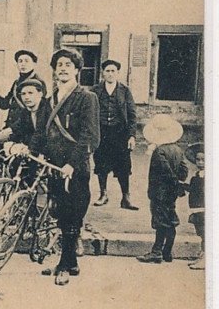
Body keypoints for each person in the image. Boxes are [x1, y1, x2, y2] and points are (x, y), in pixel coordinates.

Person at [21, 48, 100, 286]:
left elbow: (89, 136)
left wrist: (71, 164)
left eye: (68, 64)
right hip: (54, 166)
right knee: (60, 215)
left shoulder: (87, 98)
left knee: (72, 216)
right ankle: (70, 262)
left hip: (74, 168)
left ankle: (65, 266)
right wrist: (30, 151)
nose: (63, 68)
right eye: (59, 65)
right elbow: (40, 133)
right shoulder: (49, 100)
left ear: (77, 70)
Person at [138, 115, 188, 264]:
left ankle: (156, 251)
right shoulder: (178, 150)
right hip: (171, 193)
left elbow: (166, 172)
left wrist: (171, 182)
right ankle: (167, 251)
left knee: (161, 221)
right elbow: (184, 171)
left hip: (159, 192)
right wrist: (177, 184)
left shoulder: (159, 152)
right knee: (171, 219)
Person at [92, 59, 138, 210]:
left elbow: (132, 115)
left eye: (113, 71)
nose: (110, 74)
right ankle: (103, 194)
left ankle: (126, 197)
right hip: (101, 133)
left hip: (120, 133)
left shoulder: (125, 91)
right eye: (107, 71)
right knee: (101, 164)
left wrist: (131, 136)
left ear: (118, 73)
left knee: (123, 166)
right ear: (103, 73)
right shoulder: (95, 90)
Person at [0, 49, 47, 131]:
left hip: (26, 128)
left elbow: (38, 110)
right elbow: (5, 104)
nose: (23, 64)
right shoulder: (17, 83)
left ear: (34, 64)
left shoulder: (38, 82)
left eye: (26, 61)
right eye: (20, 61)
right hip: (11, 127)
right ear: (17, 64)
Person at [0, 78, 51, 147]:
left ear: (40, 94)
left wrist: (25, 149)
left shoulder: (47, 110)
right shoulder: (26, 112)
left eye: (30, 93)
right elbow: (16, 128)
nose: (26, 97)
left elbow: (39, 135)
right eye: (23, 94)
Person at [185, 142, 205, 271]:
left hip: (204, 209)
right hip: (196, 208)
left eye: (203, 160)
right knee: (201, 232)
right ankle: (203, 255)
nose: (200, 162)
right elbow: (193, 189)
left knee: (205, 234)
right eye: (198, 159)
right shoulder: (198, 175)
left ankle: (206, 259)